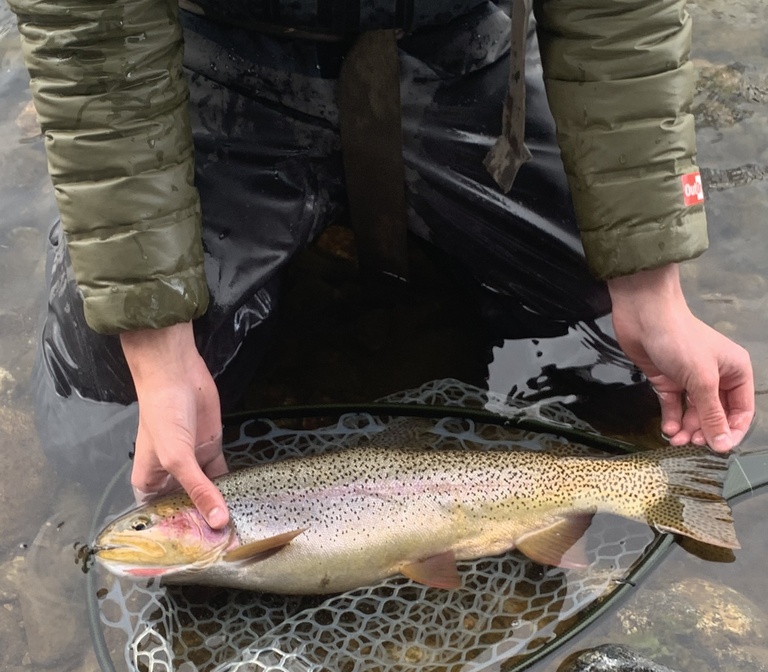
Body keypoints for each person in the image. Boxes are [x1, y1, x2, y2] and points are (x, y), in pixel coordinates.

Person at [9, 0, 754, 533]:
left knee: (627, 364)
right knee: (113, 433)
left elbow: (619, 14)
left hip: (460, 45)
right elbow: (90, 26)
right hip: (215, 60)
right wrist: (156, 343)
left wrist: (650, 283)